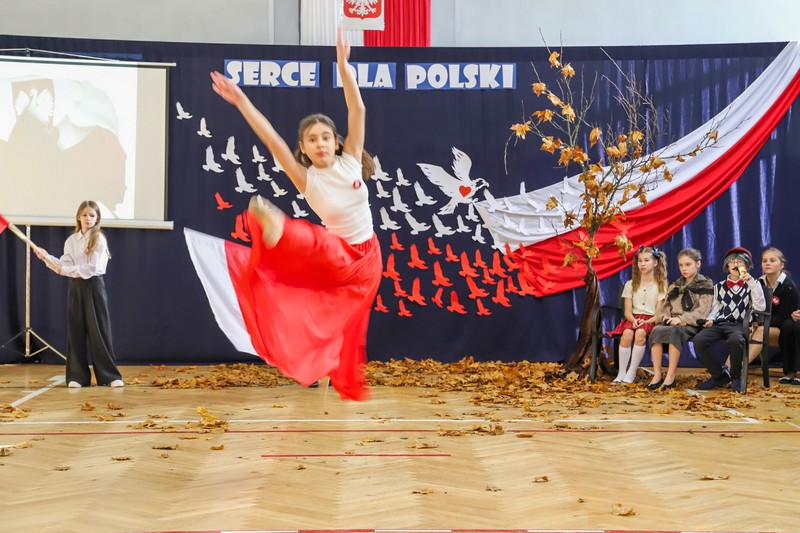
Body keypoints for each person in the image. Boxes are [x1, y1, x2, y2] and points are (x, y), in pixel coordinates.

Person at [208, 26, 381, 401]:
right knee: (320, 242)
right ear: (303, 148)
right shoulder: (307, 178)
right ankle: (278, 228)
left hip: (368, 260)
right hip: (336, 254)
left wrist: (343, 66)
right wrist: (241, 100)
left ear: (335, 142)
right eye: (312, 139)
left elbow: (358, 109)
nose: (320, 144)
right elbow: (271, 138)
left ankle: (326, 368)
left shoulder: (351, 161)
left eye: (325, 137)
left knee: (342, 325)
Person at [33, 200, 124, 388]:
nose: (88, 218)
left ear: (97, 218)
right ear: (78, 217)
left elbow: (93, 268)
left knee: (99, 331)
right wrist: (46, 257)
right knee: (76, 331)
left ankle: (109, 376)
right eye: (85, 215)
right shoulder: (71, 241)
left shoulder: (99, 238)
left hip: (94, 287)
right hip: (76, 288)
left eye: (92, 215)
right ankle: (77, 376)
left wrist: (64, 270)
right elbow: (63, 265)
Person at [693, 247, 766, 392]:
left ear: (747, 266)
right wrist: (710, 319)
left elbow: (760, 307)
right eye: (732, 261)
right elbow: (715, 308)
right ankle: (719, 375)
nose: (735, 264)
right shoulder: (719, 286)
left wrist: (751, 282)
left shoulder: (754, 284)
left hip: (740, 325)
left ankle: (735, 376)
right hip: (720, 323)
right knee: (699, 340)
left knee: (735, 340)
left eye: (740, 262)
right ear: (727, 266)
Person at [647, 248, 714, 390]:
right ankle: (657, 374)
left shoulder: (705, 284)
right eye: (681, 265)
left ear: (698, 264)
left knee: (675, 331)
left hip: (691, 323)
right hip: (672, 321)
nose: (684, 268)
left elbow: (702, 311)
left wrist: (681, 319)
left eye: (688, 264)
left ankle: (670, 376)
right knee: (656, 330)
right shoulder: (675, 285)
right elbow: (666, 307)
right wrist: (665, 316)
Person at [609, 246, 668, 383]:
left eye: (646, 260)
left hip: (650, 320)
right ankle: (621, 372)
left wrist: (646, 322)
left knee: (640, 333)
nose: (642, 264)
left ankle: (631, 371)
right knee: (627, 333)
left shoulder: (661, 286)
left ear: (655, 263)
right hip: (633, 318)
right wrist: (633, 320)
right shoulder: (630, 284)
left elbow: (658, 314)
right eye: (640, 261)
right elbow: (627, 311)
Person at [745, 248, 800, 385]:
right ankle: (726, 369)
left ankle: (739, 369)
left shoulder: (788, 286)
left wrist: (761, 323)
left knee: (762, 330)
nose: (767, 263)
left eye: (772, 260)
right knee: (743, 331)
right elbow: (752, 306)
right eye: (764, 261)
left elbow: (785, 317)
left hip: (782, 329)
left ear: (781, 265)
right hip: (763, 324)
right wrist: (754, 321)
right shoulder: (758, 283)